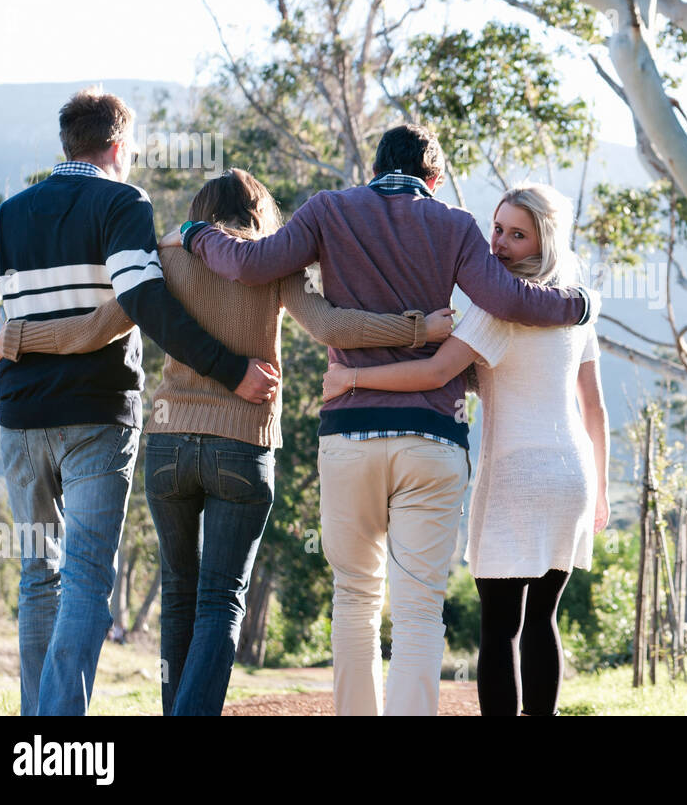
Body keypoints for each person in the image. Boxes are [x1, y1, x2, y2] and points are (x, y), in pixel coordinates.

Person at [166, 124, 598, 716]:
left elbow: (249, 264)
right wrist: (579, 304)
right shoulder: (456, 225)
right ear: (435, 178)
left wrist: (195, 234)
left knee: (355, 599)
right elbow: (509, 300)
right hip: (433, 441)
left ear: (374, 167)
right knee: (420, 606)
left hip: (350, 434)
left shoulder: (328, 211)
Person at [0, 168, 454, 715]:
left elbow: (94, 328)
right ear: (261, 211)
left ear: (199, 209)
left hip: (167, 448)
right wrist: (417, 330)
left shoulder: (166, 261)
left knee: (179, 597)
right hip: (241, 446)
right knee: (220, 601)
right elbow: (334, 328)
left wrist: (22, 336)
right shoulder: (275, 267)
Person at [0, 87, 278, 716]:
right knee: (83, 578)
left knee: (37, 578)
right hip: (97, 416)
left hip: (22, 422)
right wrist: (229, 369)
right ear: (117, 145)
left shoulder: (9, 216)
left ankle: (39, 733)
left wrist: (0, 387)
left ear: (68, 143)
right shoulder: (120, 201)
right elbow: (143, 298)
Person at [321, 182, 609, 716]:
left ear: (543, 241)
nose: (498, 244)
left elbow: (435, 370)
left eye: (516, 235)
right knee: (542, 618)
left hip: (514, 475)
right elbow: (594, 407)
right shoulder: (574, 307)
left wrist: (351, 376)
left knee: (500, 627)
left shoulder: (497, 308)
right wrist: (602, 491)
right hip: (573, 474)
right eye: (496, 229)